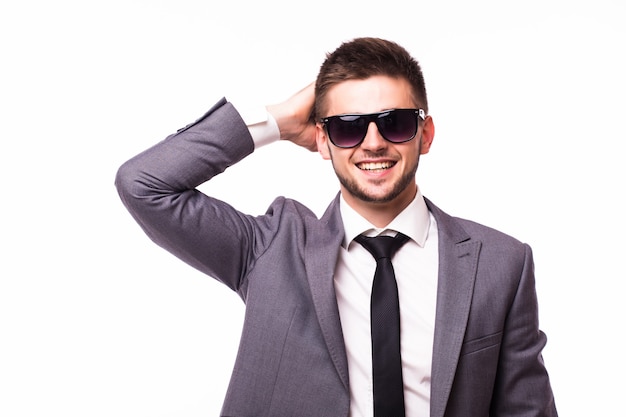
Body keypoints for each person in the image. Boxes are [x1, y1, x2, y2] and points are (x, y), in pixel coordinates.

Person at [116, 37, 557, 417]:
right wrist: (279, 120)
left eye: (395, 123)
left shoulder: (502, 263)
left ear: (425, 134)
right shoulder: (271, 248)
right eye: (347, 128)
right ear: (322, 141)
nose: (373, 142)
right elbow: (144, 186)